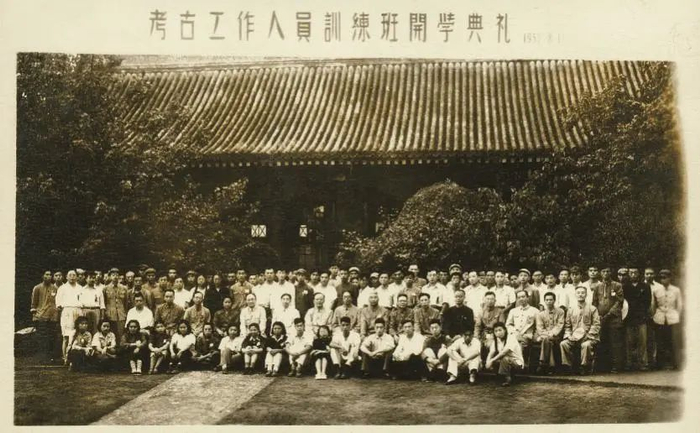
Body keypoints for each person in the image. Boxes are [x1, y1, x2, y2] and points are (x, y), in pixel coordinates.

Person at [560, 286, 601, 375]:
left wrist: (588, 335)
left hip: (589, 337)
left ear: (586, 295)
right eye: (578, 293)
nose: (580, 295)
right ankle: (568, 366)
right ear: (575, 295)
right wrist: (569, 336)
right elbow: (567, 326)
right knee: (564, 344)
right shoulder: (571, 309)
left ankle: (584, 366)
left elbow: (596, 324)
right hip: (574, 337)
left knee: (586, 345)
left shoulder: (592, 309)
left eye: (583, 293)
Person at [592, 267, 625, 373]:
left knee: (615, 342)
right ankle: (603, 366)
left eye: (608, 271)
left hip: (614, 318)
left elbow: (619, 301)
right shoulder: (597, 287)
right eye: (603, 271)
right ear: (600, 273)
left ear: (611, 272)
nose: (606, 273)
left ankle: (616, 366)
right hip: (601, 318)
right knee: (602, 341)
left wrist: (609, 314)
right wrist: (597, 315)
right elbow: (594, 302)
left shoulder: (617, 285)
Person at [652, 269, 682, 370]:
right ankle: (659, 364)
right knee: (659, 341)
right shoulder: (656, 290)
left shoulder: (676, 290)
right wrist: (654, 316)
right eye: (661, 278)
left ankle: (674, 363)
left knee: (672, 341)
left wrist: (676, 315)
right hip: (659, 318)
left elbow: (679, 305)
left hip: (672, 318)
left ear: (670, 278)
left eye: (665, 278)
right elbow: (653, 305)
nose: (663, 280)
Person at [623, 267, 652, 371]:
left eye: (635, 273)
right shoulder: (625, 287)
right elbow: (623, 303)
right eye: (631, 273)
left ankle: (643, 363)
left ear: (639, 274)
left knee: (642, 341)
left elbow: (648, 302)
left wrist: (643, 314)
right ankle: (629, 363)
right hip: (629, 318)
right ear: (628, 274)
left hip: (641, 318)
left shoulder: (645, 286)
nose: (633, 275)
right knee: (629, 341)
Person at [30, 270, 60, 363]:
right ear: (43, 276)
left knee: (52, 337)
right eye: (47, 274)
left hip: (52, 317)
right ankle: (42, 357)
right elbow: (33, 304)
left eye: (50, 275)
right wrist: (35, 316)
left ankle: (51, 358)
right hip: (41, 317)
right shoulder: (37, 288)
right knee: (42, 338)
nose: (49, 276)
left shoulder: (55, 288)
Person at [505, 290, 539, 370]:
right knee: (510, 344)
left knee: (518, 345)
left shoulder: (535, 311)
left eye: (523, 297)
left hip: (527, 336)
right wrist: (514, 332)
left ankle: (519, 366)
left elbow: (538, 326)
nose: (521, 299)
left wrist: (534, 336)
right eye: (519, 297)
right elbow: (508, 324)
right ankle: (510, 365)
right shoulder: (513, 311)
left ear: (527, 298)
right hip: (514, 335)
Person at [535, 292, 565, 374]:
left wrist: (552, 334)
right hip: (545, 336)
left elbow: (560, 325)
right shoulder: (540, 314)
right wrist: (547, 335)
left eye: (551, 300)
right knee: (548, 341)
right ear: (544, 301)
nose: (549, 302)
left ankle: (542, 363)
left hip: (557, 336)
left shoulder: (560, 312)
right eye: (547, 300)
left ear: (554, 300)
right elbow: (540, 328)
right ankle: (551, 366)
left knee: (546, 340)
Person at [485, 322, 524, 386]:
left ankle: (507, 379)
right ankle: (500, 376)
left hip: (516, 363)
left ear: (505, 330)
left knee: (504, 358)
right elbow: (491, 352)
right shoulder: (496, 340)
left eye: (500, 330)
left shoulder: (511, 338)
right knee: (496, 361)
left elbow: (504, 352)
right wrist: (488, 362)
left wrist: (492, 360)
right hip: (504, 362)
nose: (498, 332)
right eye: (496, 331)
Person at [56, 270, 83, 363]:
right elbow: (58, 303)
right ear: (66, 277)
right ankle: (65, 358)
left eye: (74, 275)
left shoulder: (80, 288)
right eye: (70, 275)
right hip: (67, 312)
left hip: (78, 311)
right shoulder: (62, 288)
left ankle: (75, 358)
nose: (72, 277)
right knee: (66, 336)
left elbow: (82, 301)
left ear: (77, 277)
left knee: (77, 335)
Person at [474, 291, 503, 359]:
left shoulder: (500, 311)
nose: (490, 301)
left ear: (495, 301)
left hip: (495, 334)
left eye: (492, 299)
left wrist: (495, 335)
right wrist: (476, 337)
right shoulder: (481, 311)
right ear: (484, 300)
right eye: (488, 299)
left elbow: (501, 325)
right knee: (476, 345)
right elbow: (478, 326)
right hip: (483, 334)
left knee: (491, 345)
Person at [103, 268, 129, 343]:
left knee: (121, 333)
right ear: (110, 276)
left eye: (117, 275)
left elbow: (126, 303)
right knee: (111, 333)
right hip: (110, 314)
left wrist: (125, 312)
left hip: (121, 314)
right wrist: (106, 313)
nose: (115, 277)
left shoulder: (124, 288)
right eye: (113, 275)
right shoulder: (105, 288)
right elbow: (104, 302)